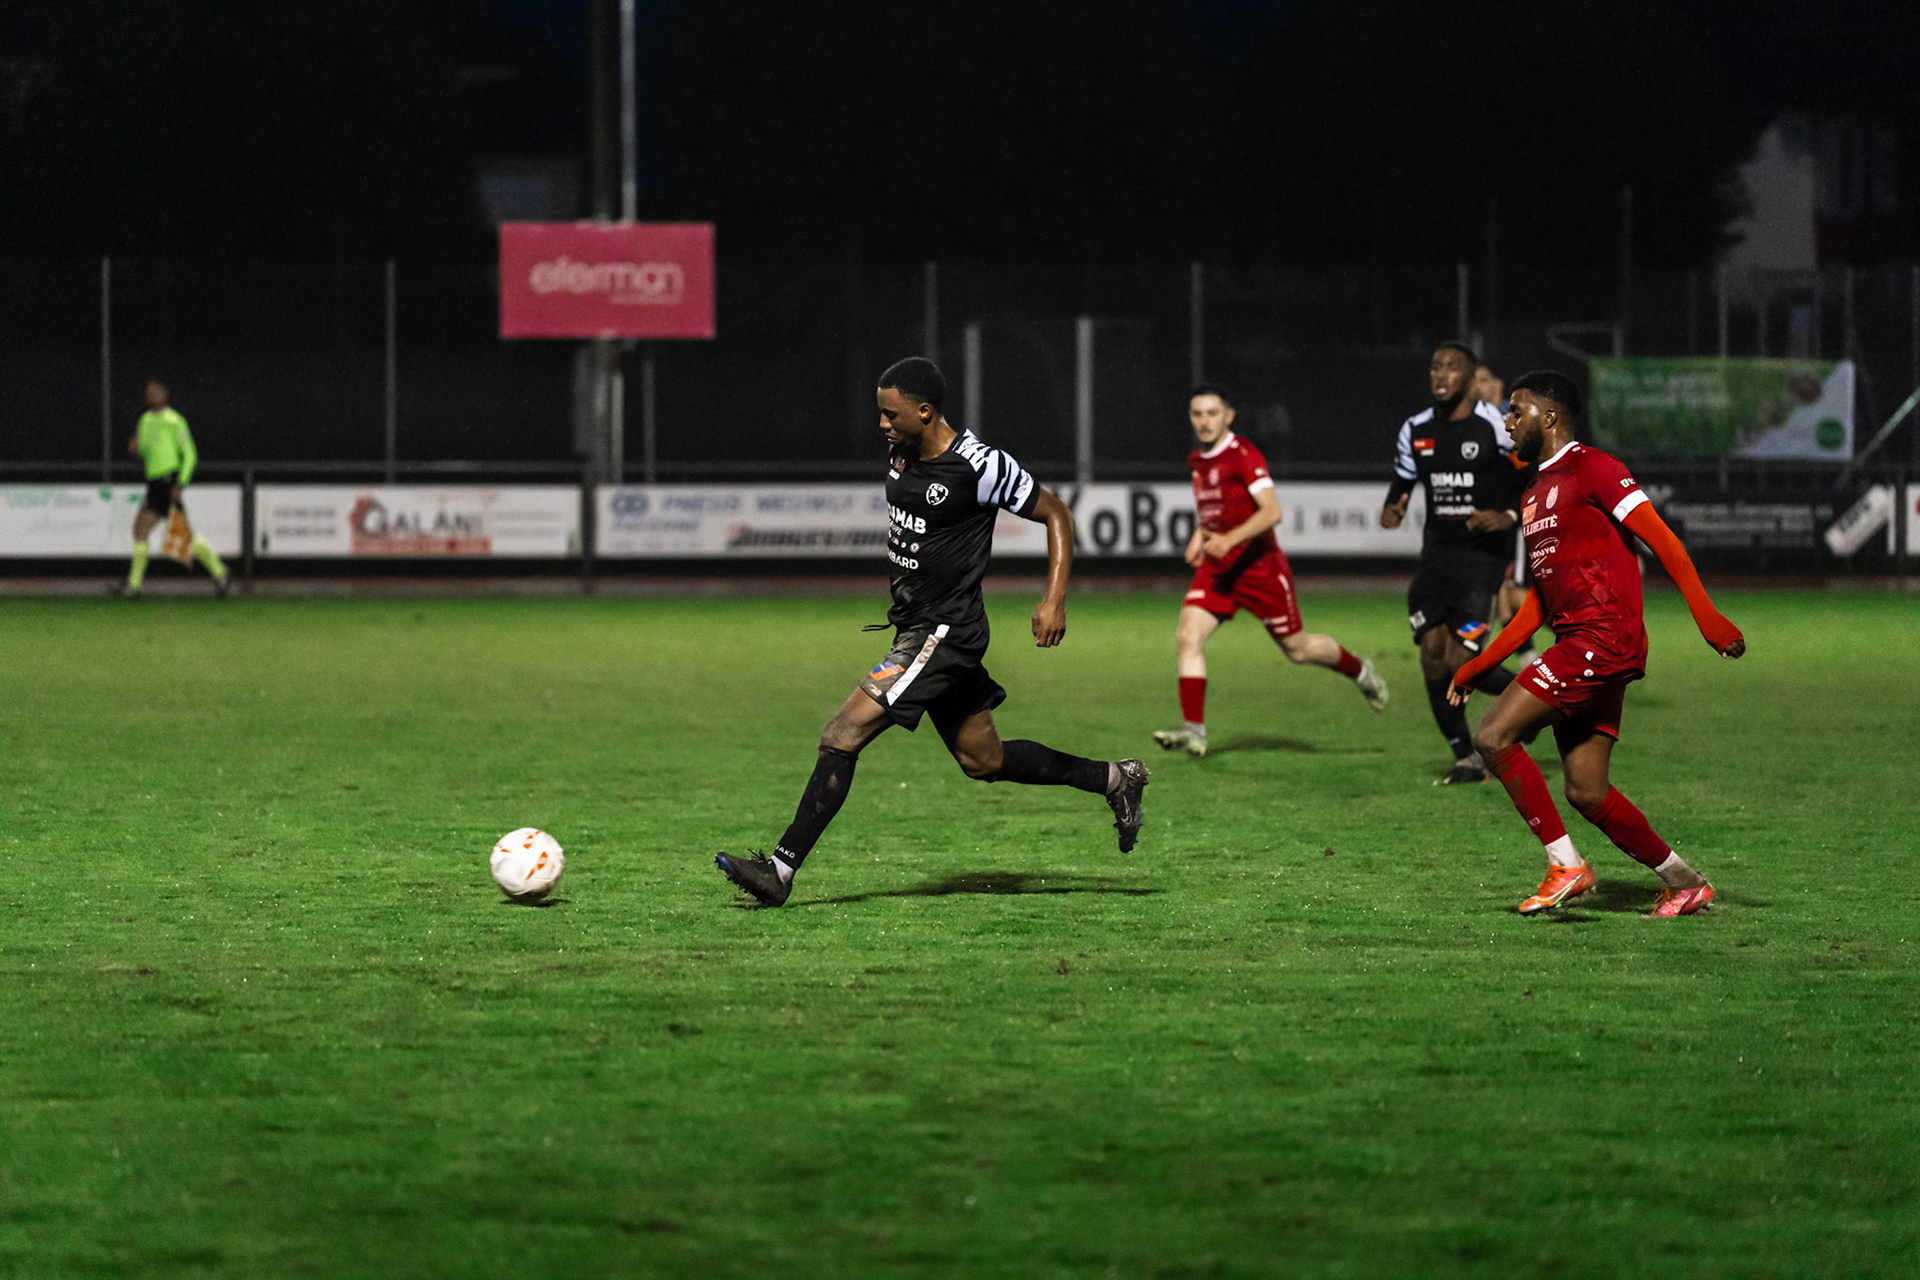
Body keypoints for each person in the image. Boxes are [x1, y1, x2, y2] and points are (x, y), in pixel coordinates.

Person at [715, 357, 1149, 907]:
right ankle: (1115, 778)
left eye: (891, 414)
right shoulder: (902, 451)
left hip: (943, 634)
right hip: (920, 627)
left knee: (842, 732)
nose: (882, 425)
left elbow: (1057, 513)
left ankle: (778, 872)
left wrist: (1054, 598)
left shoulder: (979, 465)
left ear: (925, 411)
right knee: (983, 761)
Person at [1448, 369, 1745, 917]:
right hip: (1581, 642)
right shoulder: (1535, 491)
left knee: (1492, 736)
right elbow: (1536, 607)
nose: (1509, 423)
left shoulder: (1594, 468)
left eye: (1518, 411)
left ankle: (1566, 866)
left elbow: (1665, 542)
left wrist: (1707, 617)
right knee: (1586, 791)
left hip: (1601, 638)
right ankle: (1686, 882)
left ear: (1550, 416)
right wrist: (1476, 665)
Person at [1152, 383, 1387, 758]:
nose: (1204, 421)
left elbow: (1271, 512)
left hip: (1260, 569)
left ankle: (1359, 670)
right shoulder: (1197, 460)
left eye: (1212, 413)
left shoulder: (1244, 454)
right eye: (1197, 414)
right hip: (1218, 571)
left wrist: (1229, 540)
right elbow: (1215, 510)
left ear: (1229, 416)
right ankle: (1193, 731)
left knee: (1297, 649)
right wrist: (1201, 534)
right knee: (1188, 635)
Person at [1380, 342, 1522, 784]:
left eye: (1451, 368)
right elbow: (1401, 484)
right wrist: (1393, 507)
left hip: (1481, 564)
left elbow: (1534, 476)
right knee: (1432, 655)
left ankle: (1536, 699)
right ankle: (1464, 757)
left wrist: (1509, 517)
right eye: (1435, 367)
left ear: (1470, 377)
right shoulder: (1415, 429)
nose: (1440, 375)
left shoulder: (1497, 428)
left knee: (1464, 661)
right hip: (1435, 562)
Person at [119, 379, 231, 598]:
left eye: (155, 391)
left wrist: (181, 483)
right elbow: (146, 450)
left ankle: (133, 586)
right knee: (147, 532)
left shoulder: (175, 420)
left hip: (168, 481)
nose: (151, 395)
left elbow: (190, 454)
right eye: (148, 392)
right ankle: (220, 572)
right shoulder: (145, 420)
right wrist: (136, 449)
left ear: (164, 394)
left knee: (150, 532)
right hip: (154, 484)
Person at [1478, 362, 1540, 664]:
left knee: (1511, 592)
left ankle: (1580, 634)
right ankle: (1516, 655)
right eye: (1475, 381)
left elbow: (1525, 467)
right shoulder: (1465, 424)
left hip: (1514, 521)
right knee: (1496, 591)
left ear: (1499, 384)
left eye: (1484, 379)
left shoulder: (1509, 422)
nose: (1479, 386)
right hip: (1486, 521)